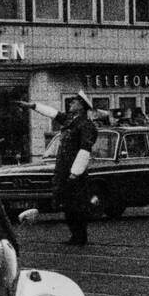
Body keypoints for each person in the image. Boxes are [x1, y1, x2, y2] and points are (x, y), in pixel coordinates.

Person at [49, 91, 100, 246]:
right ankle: (75, 235)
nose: (70, 103)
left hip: (74, 171)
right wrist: (33, 106)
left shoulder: (86, 124)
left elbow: (85, 148)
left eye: (74, 102)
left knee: (77, 204)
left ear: (81, 106)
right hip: (64, 169)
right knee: (67, 204)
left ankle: (80, 236)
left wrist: (75, 172)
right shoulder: (72, 120)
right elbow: (55, 114)